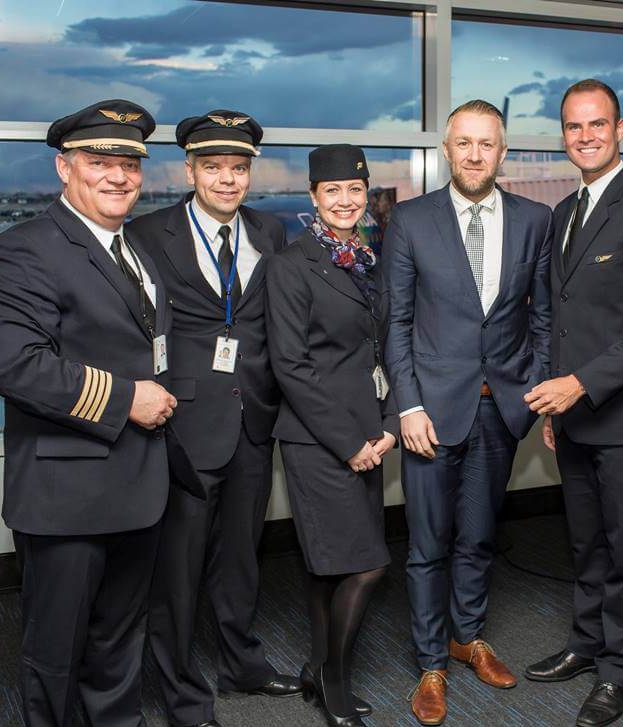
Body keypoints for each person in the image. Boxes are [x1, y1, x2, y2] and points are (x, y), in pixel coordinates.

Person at [0, 100, 176, 727]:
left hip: (138, 483)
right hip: (67, 495)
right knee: (57, 654)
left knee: (119, 642)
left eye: (129, 163)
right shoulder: (25, 249)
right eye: (99, 161)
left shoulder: (135, 248)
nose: (118, 176)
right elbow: (19, 368)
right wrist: (129, 398)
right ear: (65, 168)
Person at [383, 100, 552, 725]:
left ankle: (468, 636)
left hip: (500, 412)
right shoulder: (410, 219)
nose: (475, 154)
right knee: (428, 545)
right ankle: (430, 663)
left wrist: (529, 394)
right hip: (429, 413)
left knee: (480, 537)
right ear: (446, 151)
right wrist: (409, 405)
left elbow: (542, 319)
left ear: (502, 153)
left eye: (487, 144)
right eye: (463, 143)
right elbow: (395, 323)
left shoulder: (535, 220)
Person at [129, 111, 299, 726]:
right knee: (178, 566)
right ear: (189, 170)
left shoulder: (271, 231)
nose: (227, 180)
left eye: (237, 168)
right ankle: (178, 687)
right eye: (213, 168)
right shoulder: (150, 234)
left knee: (240, 556)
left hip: (254, 418)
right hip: (184, 422)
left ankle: (241, 661)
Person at [523, 79, 623, 727]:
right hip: (576, 419)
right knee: (584, 542)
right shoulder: (565, 213)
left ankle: (620, 669)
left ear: (620, 130)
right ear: (564, 135)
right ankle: (588, 643)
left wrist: (579, 385)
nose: (584, 136)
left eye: (597, 124)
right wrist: (560, 407)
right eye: (573, 126)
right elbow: (562, 319)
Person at [266, 144, 396, 727]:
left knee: (331, 565)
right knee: (366, 564)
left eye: (355, 190)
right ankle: (334, 680)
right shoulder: (292, 265)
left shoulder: (366, 258)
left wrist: (388, 424)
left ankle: (318, 669)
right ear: (313, 197)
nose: (346, 200)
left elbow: (381, 349)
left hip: (367, 433)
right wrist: (350, 443)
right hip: (322, 442)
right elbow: (292, 366)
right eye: (333, 191)